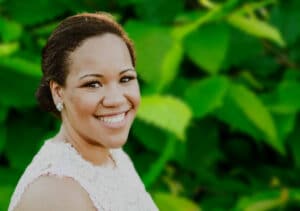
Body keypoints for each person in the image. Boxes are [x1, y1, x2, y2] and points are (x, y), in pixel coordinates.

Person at [8, 12, 159, 211]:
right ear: (58, 92)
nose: (115, 99)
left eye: (125, 79)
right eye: (93, 84)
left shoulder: (113, 157)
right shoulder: (55, 194)